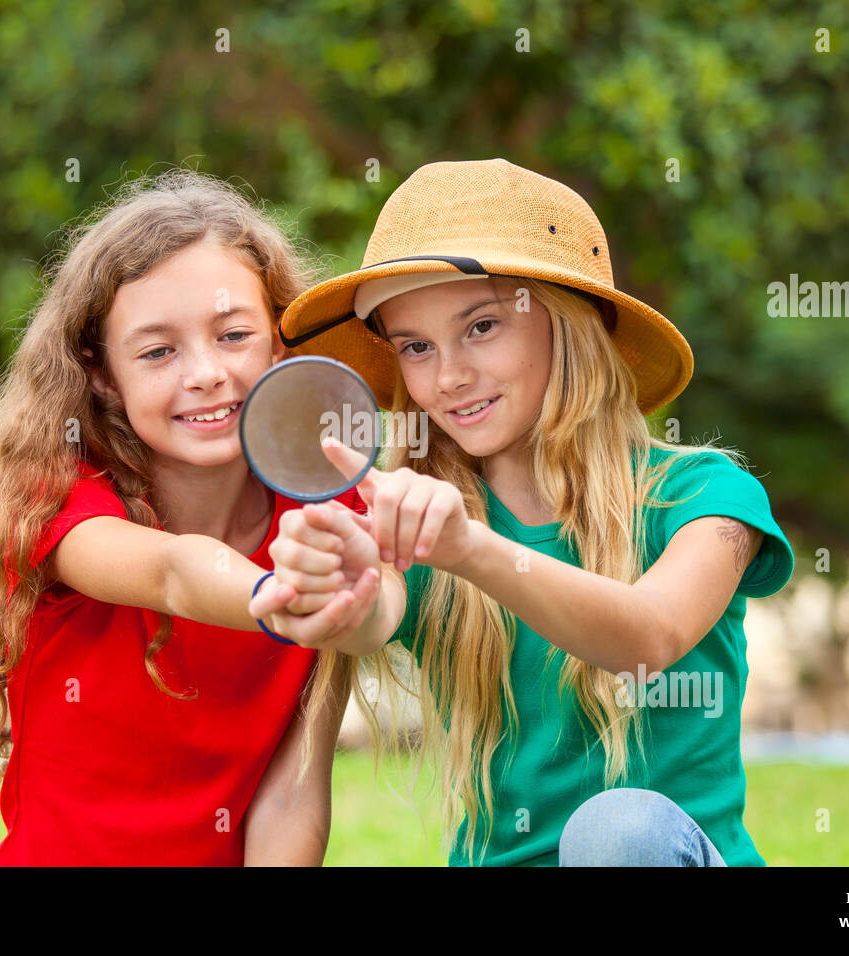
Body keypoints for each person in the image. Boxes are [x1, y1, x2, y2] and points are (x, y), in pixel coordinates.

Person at [251, 158, 795, 866]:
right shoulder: (413, 522)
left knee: (617, 832)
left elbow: (648, 638)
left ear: (568, 323)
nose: (447, 376)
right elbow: (371, 613)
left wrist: (471, 549)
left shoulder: (705, 495)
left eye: (481, 326)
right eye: (415, 346)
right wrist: (336, 580)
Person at [0, 170, 374, 866]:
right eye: (158, 351)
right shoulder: (56, 498)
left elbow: (294, 791)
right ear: (102, 373)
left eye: (233, 334)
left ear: (280, 340)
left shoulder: (322, 509)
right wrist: (281, 596)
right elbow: (175, 573)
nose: (205, 372)